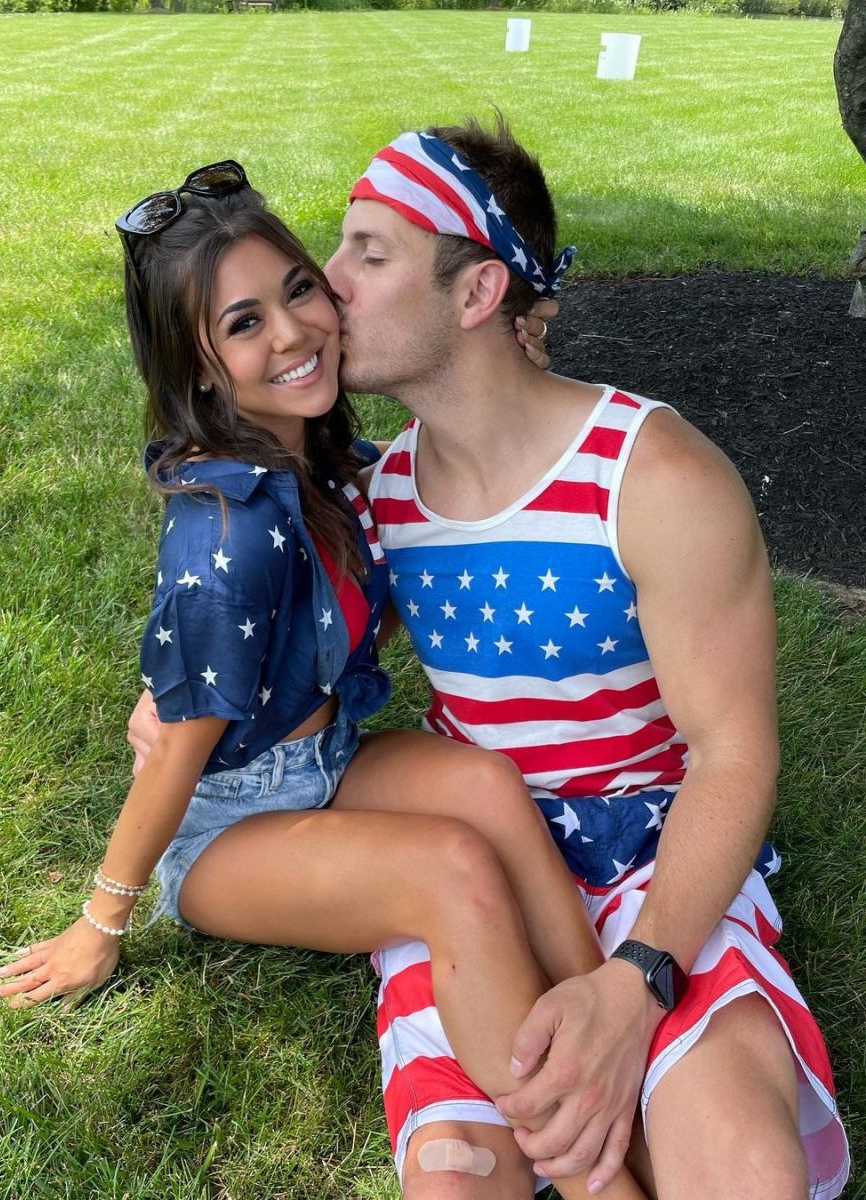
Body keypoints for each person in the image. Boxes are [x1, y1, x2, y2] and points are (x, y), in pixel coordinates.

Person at [0, 161, 648, 1200]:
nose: (293, 333)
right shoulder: (228, 533)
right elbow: (181, 751)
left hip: (326, 759)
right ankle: (597, 1170)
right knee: (450, 874)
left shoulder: (338, 466)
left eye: (299, 289)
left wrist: (517, 335)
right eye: (243, 325)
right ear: (201, 371)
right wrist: (99, 924)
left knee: (483, 788)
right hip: (226, 831)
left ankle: (615, 1023)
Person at [312, 117, 848, 1200]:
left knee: (746, 1174)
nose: (328, 287)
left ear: (475, 296)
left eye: (370, 254)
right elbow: (288, 679)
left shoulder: (655, 479)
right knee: (462, 1182)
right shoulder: (379, 499)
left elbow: (733, 756)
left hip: (661, 855)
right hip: (477, 871)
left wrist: (638, 981)